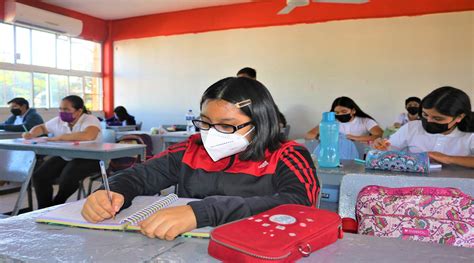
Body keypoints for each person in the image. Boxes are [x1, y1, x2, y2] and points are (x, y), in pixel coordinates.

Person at [81, 77, 319, 240]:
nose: (211, 132)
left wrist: (203, 212)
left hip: (257, 250)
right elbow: (140, 176)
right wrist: (110, 192)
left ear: (259, 123)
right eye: (205, 122)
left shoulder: (288, 155)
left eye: (227, 125)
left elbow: (300, 204)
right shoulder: (191, 150)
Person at [23, 95, 102, 208]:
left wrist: (60, 137)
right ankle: (44, 209)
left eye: (66, 109)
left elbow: (89, 135)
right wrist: (31, 134)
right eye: (60, 109)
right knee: (39, 176)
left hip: (91, 158)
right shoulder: (59, 121)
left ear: (79, 111)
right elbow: (42, 127)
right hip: (68, 156)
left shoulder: (89, 119)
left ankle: (57, 203)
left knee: (69, 174)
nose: (62, 112)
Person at [373, 86, 474, 168]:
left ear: (459, 117)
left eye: (437, 118)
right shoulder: (412, 128)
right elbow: (390, 148)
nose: (429, 120)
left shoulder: (470, 135)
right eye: (425, 115)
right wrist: (381, 146)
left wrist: (448, 159)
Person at [305, 97, 383, 142]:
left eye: (344, 111)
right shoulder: (330, 122)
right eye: (337, 112)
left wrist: (356, 138)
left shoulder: (365, 121)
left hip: (360, 153)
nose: (340, 114)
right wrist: (322, 137)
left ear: (353, 111)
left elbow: (380, 135)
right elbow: (308, 135)